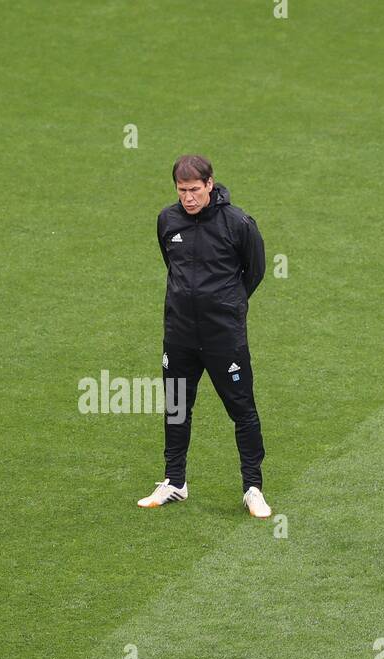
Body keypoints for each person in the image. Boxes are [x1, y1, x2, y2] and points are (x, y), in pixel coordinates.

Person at [137, 155, 270, 518]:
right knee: (177, 407)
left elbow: (254, 271)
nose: (189, 198)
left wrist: (227, 305)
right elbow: (172, 264)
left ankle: (253, 487)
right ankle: (175, 481)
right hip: (179, 335)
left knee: (242, 411)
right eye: (182, 191)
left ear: (211, 184)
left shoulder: (238, 223)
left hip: (223, 337)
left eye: (195, 190)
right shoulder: (168, 220)